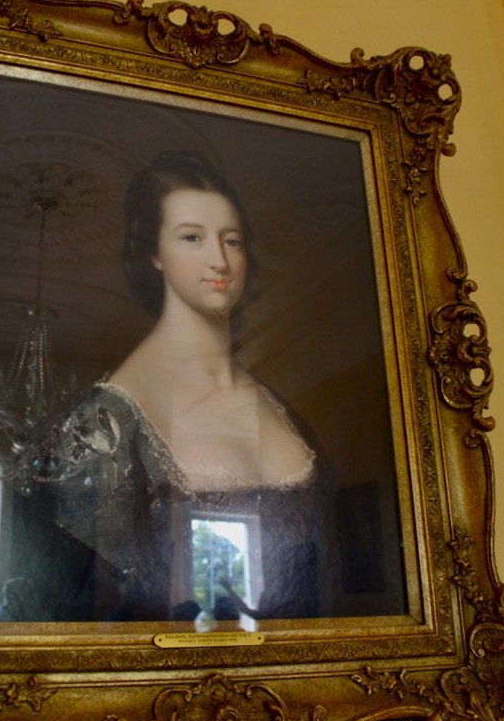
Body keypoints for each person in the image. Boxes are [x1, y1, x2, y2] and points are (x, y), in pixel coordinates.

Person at [45, 151, 328, 622]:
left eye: (232, 241)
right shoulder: (106, 421)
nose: (220, 260)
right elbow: (96, 611)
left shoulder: (279, 404)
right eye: (192, 237)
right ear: (154, 253)